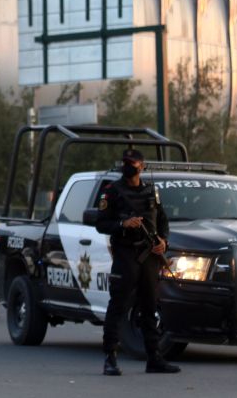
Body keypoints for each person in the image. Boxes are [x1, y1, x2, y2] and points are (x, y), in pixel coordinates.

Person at [95, 149, 180, 376]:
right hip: (125, 256)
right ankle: (110, 358)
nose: (128, 166)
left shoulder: (151, 191)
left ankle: (154, 358)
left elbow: (163, 222)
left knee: (150, 307)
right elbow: (101, 223)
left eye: (132, 163)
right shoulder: (112, 191)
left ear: (142, 166)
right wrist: (123, 224)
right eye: (126, 162)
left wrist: (163, 242)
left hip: (150, 258)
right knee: (118, 306)